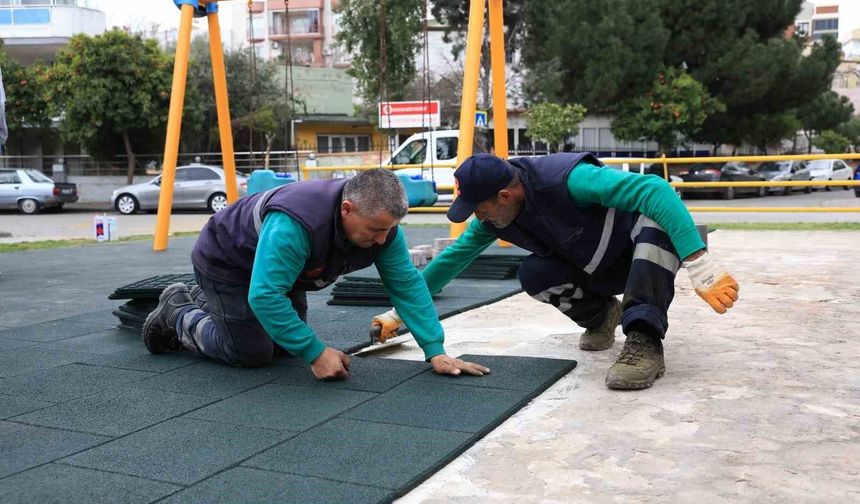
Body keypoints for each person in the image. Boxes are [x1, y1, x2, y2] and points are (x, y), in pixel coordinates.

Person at [372, 153, 739, 390]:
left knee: (654, 223)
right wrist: (399, 313)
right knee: (533, 272)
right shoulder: (495, 220)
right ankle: (602, 315)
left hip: (638, 257)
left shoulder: (567, 179)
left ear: (504, 196)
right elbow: (452, 259)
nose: (476, 216)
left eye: (478, 207)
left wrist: (698, 261)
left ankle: (644, 340)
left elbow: (656, 189)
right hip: (598, 269)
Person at [142, 169, 490, 380]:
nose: (383, 240)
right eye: (376, 229)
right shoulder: (295, 224)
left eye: (390, 230)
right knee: (251, 354)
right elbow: (264, 296)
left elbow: (407, 285)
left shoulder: (382, 228)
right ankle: (178, 311)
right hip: (227, 261)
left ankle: (215, 305)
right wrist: (316, 352)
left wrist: (435, 349)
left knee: (283, 348)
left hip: (282, 272)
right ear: (347, 209)